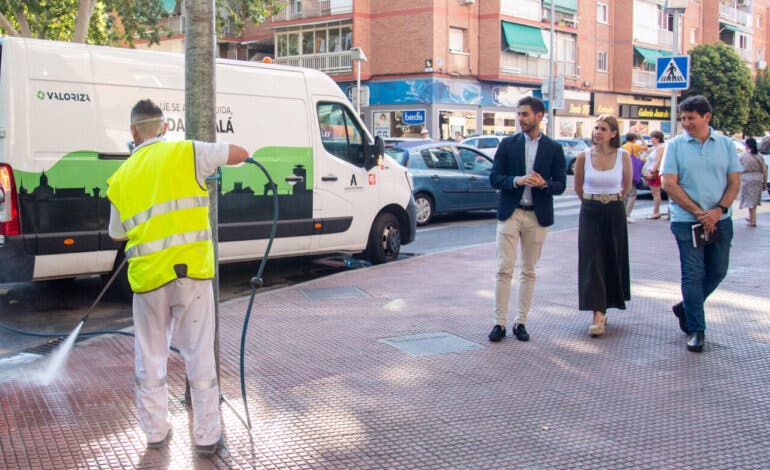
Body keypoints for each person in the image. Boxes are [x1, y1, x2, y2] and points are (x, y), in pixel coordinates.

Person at [106, 99, 249, 456]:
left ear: (133, 131)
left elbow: (116, 233)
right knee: (199, 355)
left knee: (150, 357)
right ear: (165, 127)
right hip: (193, 274)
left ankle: (156, 432)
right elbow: (241, 153)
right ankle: (206, 437)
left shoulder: (121, 177)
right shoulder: (188, 153)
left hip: (148, 279)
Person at [660, 95, 742, 353]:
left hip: (720, 220)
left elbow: (734, 182)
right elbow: (668, 183)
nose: (686, 123)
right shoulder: (675, 146)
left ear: (707, 117)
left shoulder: (726, 145)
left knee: (718, 271)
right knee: (693, 273)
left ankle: (685, 307)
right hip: (687, 221)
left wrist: (717, 211)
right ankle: (697, 329)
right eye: (683, 118)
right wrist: (698, 212)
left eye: (691, 118)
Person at [487, 96, 566, 342]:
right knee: (504, 269)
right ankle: (499, 323)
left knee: (529, 271)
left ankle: (520, 322)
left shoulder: (554, 148)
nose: (520, 119)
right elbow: (494, 178)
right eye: (519, 114)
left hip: (537, 215)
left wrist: (544, 184)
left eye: (525, 114)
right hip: (510, 212)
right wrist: (517, 180)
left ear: (538, 116)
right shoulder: (508, 144)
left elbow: (561, 185)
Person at [574, 115, 632, 336]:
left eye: (603, 129)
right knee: (592, 260)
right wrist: (592, 202)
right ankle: (597, 314)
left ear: (613, 133)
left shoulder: (623, 156)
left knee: (612, 257)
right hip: (591, 209)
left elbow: (626, 186)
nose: (598, 132)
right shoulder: (584, 156)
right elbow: (578, 187)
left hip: (615, 209)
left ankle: (606, 306)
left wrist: (613, 201)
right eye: (596, 128)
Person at [739, 137, 768, 227]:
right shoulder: (759, 155)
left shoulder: (742, 156)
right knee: (754, 200)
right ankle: (752, 217)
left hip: (747, 179)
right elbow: (765, 170)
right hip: (758, 178)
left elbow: (738, 169)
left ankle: (752, 220)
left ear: (747, 145)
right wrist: (764, 182)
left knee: (750, 200)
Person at [621, 132, 647, 223]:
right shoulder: (634, 146)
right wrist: (641, 137)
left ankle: (621, 214)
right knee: (632, 194)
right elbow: (645, 147)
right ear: (634, 139)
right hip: (632, 172)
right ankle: (627, 215)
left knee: (624, 194)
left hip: (623, 172)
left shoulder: (623, 146)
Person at [644, 131, 666, 219]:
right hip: (652, 171)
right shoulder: (655, 148)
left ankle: (656, 212)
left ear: (658, 138)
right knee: (655, 193)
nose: (651, 139)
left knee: (656, 193)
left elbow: (658, 161)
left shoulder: (660, 148)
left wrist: (652, 171)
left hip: (655, 172)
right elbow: (646, 150)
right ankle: (656, 211)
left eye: (652, 137)